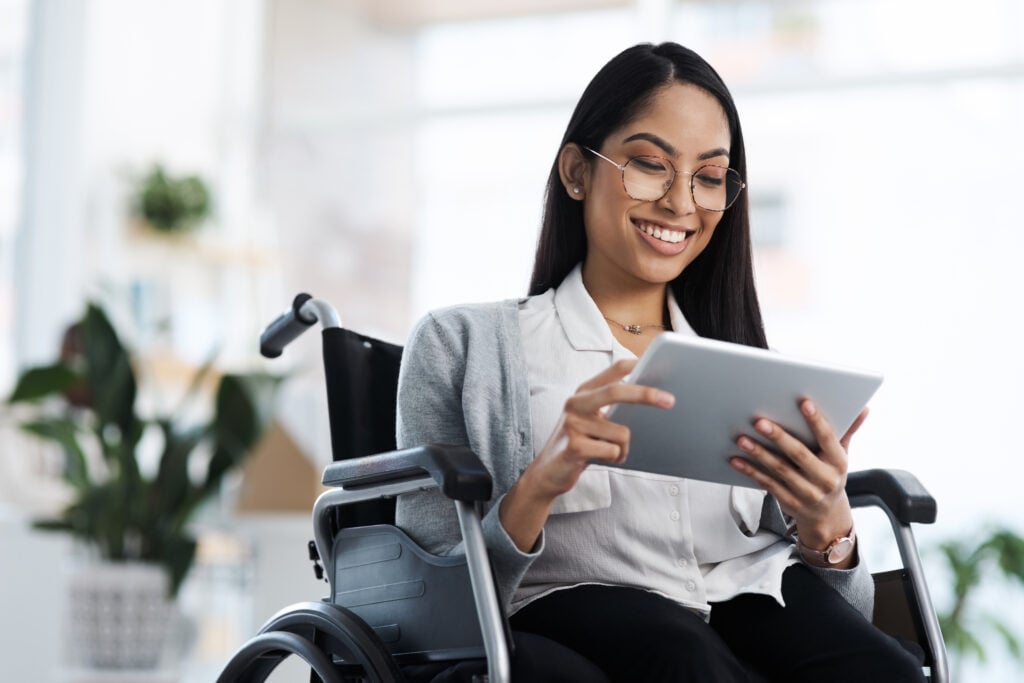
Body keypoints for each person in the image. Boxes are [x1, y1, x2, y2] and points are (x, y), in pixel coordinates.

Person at [395, 42, 924, 682]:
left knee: (887, 671)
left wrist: (826, 528)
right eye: (650, 165)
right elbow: (422, 603)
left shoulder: (750, 372)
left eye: (707, 176)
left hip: (748, 599)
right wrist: (539, 483)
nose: (680, 203)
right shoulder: (463, 344)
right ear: (576, 172)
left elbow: (848, 612)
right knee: (684, 655)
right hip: (572, 611)